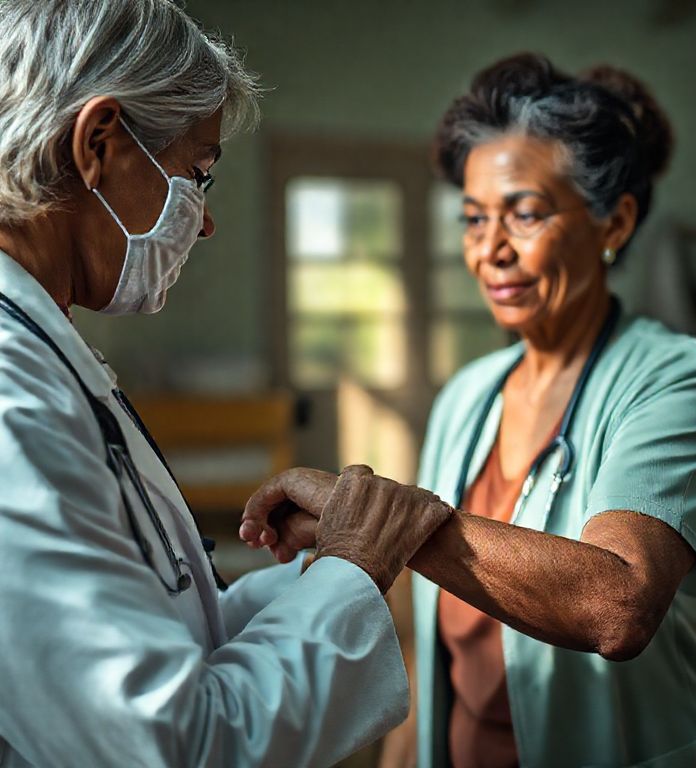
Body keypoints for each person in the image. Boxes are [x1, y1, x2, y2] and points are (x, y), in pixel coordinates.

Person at [241, 54, 696, 767]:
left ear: (614, 223)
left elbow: (619, 606)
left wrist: (378, 518)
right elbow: (429, 648)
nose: (490, 250)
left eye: (526, 214)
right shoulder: (467, 396)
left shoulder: (681, 378)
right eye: (474, 219)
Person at [0, 2, 455, 766]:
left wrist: (328, 567)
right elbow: (171, 744)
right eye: (196, 174)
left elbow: (169, 631)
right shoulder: (12, 402)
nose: (205, 222)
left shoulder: (43, 350)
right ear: (98, 143)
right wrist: (351, 570)